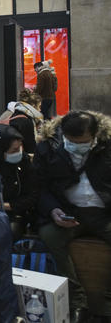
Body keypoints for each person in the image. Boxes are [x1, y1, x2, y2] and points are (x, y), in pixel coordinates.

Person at [35, 111, 111, 323]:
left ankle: (106, 304)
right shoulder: (48, 147)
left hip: (104, 213)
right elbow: (40, 187)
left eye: (84, 142)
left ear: (96, 136)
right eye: (71, 141)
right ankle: (77, 301)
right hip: (69, 211)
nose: (77, 145)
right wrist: (53, 210)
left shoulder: (108, 146)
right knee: (49, 235)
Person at [2, 89, 44, 154]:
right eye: (39, 106)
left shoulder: (13, 113)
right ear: (33, 106)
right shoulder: (26, 121)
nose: (40, 110)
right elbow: (31, 149)